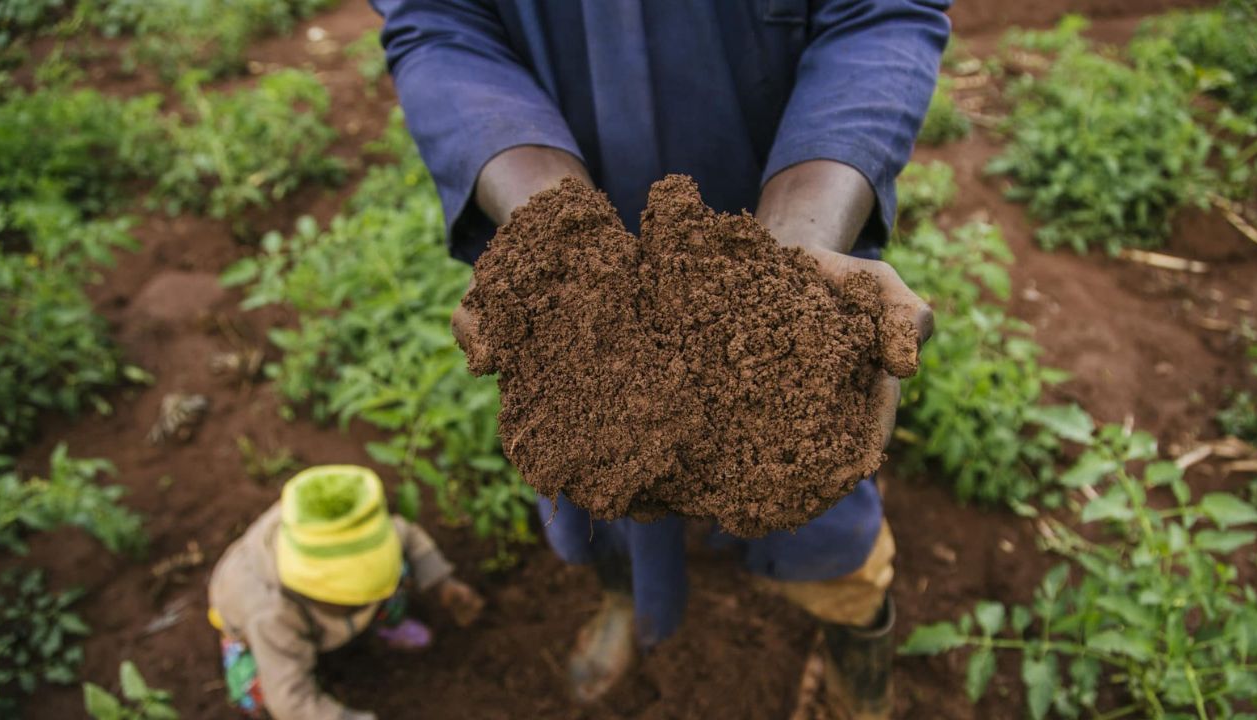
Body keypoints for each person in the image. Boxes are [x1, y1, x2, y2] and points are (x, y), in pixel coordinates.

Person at [372, 2, 946, 717]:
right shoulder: (573, 296)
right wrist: (555, 232)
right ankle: (624, 596)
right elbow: (440, 24)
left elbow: (881, 15)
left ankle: (854, 648)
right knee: (599, 473)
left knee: (817, 492)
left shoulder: (788, 293)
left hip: (793, 181)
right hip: (563, 214)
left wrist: (793, 252)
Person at [207, 465, 485, 719]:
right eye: (354, 602)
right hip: (258, 637)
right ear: (312, 592)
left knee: (395, 574)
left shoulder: (354, 536)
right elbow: (290, 701)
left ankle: (387, 624)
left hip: (317, 619)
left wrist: (443, 583)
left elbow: (407, 535)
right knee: (260, 691)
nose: (371, 601)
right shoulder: (271, 614)